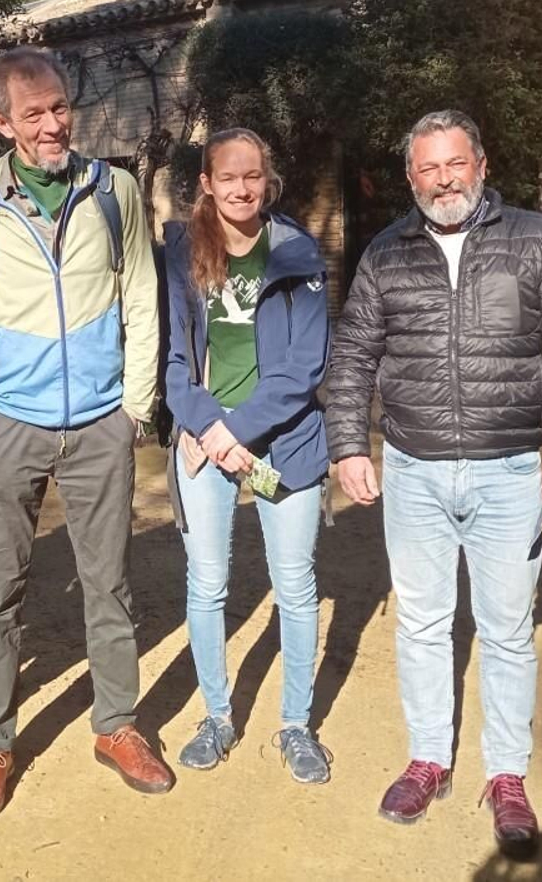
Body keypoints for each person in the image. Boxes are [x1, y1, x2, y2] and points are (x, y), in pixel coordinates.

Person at [326, 109, 542, 858]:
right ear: (410, 177)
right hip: (415, 469)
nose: (444, 179)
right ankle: (429, 758)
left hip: (511, 471)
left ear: (481, 164)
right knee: (421, 624)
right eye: (428, 168)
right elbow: (353, 353)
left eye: (456, 163)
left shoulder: (535, 240)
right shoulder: (385, 254)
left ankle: (508, 775)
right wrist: (350, 444)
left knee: (507, 631)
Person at [0, 46, 168, 820]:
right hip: (12, 428)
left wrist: (134, 404)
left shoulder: (116, 191)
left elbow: (140, 287)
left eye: (60, 106)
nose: (52, 124)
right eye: (32, 112)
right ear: (2, 122)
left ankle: (118, 726)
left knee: (110, 585)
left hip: (102, 423)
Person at [162, 129, 333, 783]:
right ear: (207, 182)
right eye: (228, 176)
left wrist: (237, 433)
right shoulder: (181, 251)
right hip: (203, 446)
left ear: (267, 181)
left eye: (253, 176)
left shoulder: (294, 251)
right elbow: (174, 361)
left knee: (295, 589)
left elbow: (305, 365)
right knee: (207, 586)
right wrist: (210, 429)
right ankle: (217, 716)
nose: (242, 187)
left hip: (283, 445)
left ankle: (295, 726)